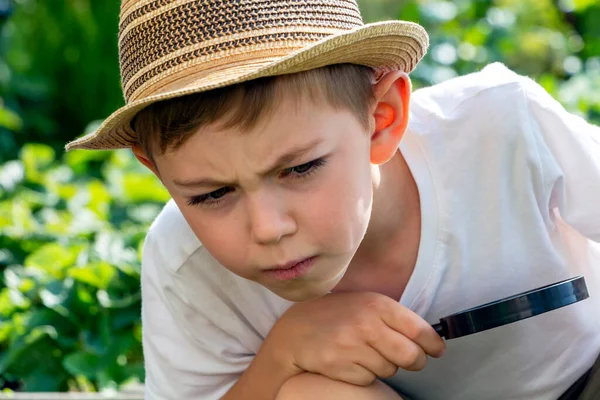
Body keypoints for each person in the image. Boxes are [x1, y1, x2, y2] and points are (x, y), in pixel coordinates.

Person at [66, 1, 600, 399]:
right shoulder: (187, 265)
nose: (268, 227)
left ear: (381, 118)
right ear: (155, 170)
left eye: (299, 168)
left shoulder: (500, 125)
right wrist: (282, 356)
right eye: (211, 194)